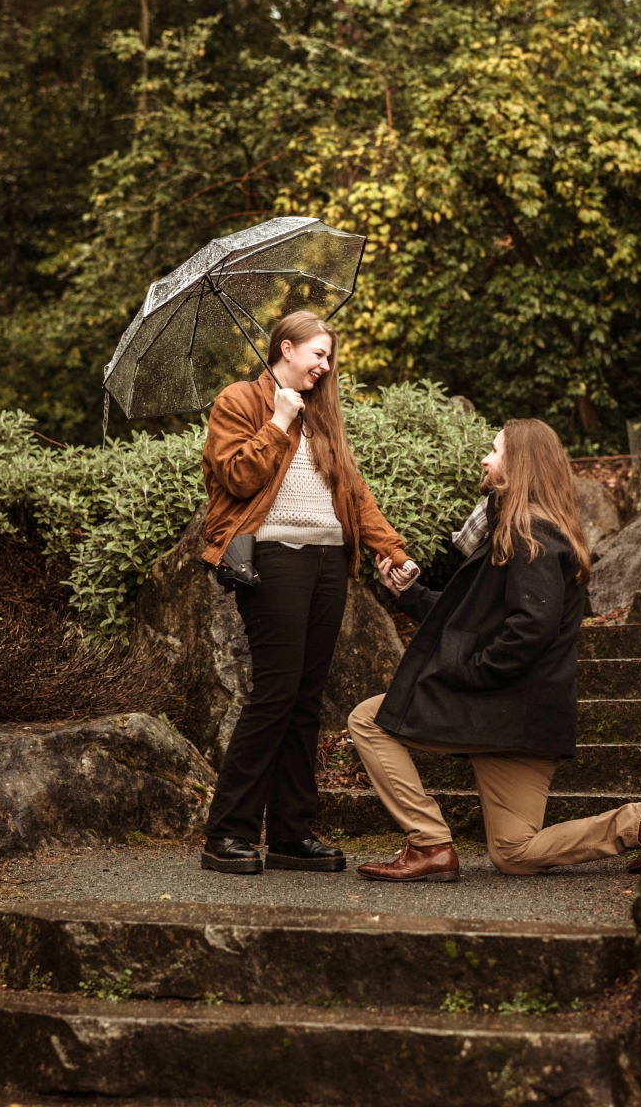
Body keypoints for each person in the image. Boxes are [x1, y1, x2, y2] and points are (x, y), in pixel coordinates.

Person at [348, 418, 641, 882]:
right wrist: (411, 595)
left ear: (521, 464)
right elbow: (477, 617)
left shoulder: (530, 533)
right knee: (514, 854)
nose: (485, 459)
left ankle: (429, 843)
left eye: (495, 451)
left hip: (502, 706)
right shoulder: (523, 528)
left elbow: (531, 627)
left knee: (369, 721)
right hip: (517, 714)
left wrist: (469, 673)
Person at [199, 309, 417, 875]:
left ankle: (291, 834)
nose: (325, 365)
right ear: (287, 348)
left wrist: (392, 551)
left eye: (329, 357)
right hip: (273, 557)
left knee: (305, 701)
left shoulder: (321, 415)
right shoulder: (240, 401)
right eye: (319, 353)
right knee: (275, 693)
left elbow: (353, 492)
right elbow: (235, 477)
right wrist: (277, 421)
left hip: (327, 562)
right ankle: (227, 833)